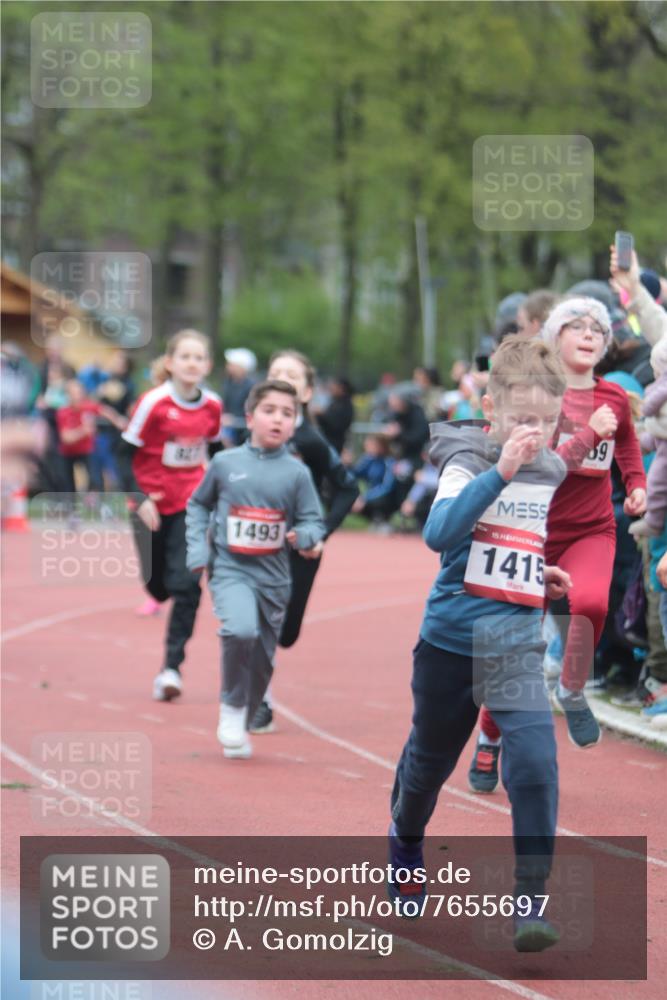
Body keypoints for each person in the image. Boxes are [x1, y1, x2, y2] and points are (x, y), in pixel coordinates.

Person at [388, 335, 571, 953]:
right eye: (522, 420)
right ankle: (406, 840)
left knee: (537, 767)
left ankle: (530, 900)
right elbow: (440, 534)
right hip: (450, 640)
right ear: (491, 411)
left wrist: (537, 569)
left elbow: (517, 537)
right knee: (430, 765)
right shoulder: (466, 458)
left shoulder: (553, 468)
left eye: (547, 422)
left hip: (514, 640)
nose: (535, 433)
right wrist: (502, 469)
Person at [469, 297, 647, 791]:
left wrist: (634, 484)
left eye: (598, 329)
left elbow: (628, 441)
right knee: (516, 647)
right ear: (553, 337)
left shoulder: (613, 397)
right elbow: (540, 464)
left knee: (590, 602)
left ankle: (571, 687)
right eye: (576, 325)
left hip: (591, 529)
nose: (589, 334)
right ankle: (489, 737)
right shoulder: (538, 398)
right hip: (531, 528)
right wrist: (589, 434)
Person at [185, 379, 325, 759]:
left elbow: (314, 520)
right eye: (269, 411)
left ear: (295, 422)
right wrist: (198, 549)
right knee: (239, 629)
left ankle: (246, 712)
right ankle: (231, 707)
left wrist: (307, 535)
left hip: (275, 577)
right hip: (231, 569)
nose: (277, 419)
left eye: (287, 413)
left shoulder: (297, 474)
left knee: (263, 659)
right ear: (250, 417)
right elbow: (198, 506)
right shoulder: (225, 463)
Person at [249, 350, 359, 732]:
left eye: (291, 375)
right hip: (257, 543)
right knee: (258, 619)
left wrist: (321, 532)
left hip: (301, 546)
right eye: (275, 372)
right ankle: (258, 697)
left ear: (308, 392)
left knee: (287, 631)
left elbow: (348, 488)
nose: (281, 378)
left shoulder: (311, 441)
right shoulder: (249, 437)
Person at [117, 330, 223, 701]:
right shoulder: (153, 403)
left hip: (191, 504)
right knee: (157, 586)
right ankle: (157, 590)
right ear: (170, 363)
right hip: (150, 503)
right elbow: (121, 453)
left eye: (199, 357)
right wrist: (140, 497)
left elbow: (216, 450)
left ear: (207, 365)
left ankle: (171, 668)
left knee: (187, 585)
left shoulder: (212, 406)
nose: (192, 363)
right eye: (185, 357)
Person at [56, 379, 125, 501]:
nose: (78, 396)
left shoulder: (88, 406)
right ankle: (72, 508)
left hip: (86, 449)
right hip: (68, 452)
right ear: (68, 395)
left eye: (79, 393)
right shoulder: (63, 412)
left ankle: (96, 501)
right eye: (74, 393)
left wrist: (118, 421)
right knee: (68, 484)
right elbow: (66, 438)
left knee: (95, 477)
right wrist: (84, 431)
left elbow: (105, 410)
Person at [350, 434, 397, 526]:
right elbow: (354, 475)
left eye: (371, 445)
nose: (367, 448)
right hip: (370, 495)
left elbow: (387, 487)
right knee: (348, 498)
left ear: (381, 446)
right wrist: (347, 465)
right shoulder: (368, 459)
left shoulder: (389, 461)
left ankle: (383, 519)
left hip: (387, 497)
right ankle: (375, 520)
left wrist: (365, 498)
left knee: (380, 500)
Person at [221, 347, 257, 446]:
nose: (228, 366)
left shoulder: (251, 386)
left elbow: (250, 409)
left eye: (231, 364)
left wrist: (233, 419)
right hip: (227, 425)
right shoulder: (228, 382)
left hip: (242, 430)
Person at [316, 376, 355, 454]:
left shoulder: (345, 405)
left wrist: (322, 414)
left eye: (335, 386)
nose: (332, 388)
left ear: (341, 388)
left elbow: (336, 424)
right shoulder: (335, 402)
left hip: (335, 443)